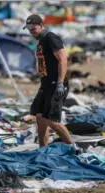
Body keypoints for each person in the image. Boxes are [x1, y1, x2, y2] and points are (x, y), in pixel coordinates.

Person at [23, 14, 73, 147]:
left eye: (33, 29)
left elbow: (63, 58)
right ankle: (42, 149)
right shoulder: (41, 41)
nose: (31, 32)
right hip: (46, 84)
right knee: (39, 117)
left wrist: (60, 83)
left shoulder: (51, 38)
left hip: (56, 83)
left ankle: (73, 147)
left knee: (52, 120)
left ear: (41, 26)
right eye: (29, 29)